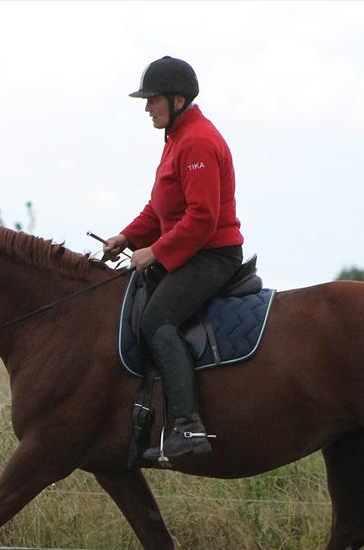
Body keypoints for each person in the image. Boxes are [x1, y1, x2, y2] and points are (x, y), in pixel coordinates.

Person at [103, 56, 244, 458]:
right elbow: (159, 209)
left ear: (177, 99)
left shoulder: (197, 141)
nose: (147, 108)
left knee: (158, 320)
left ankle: (189, 427)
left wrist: (156, 252)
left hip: (211, 256)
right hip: (189, 251)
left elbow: (203, 217)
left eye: (152, 100)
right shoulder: (176, 140)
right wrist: (127, 237)